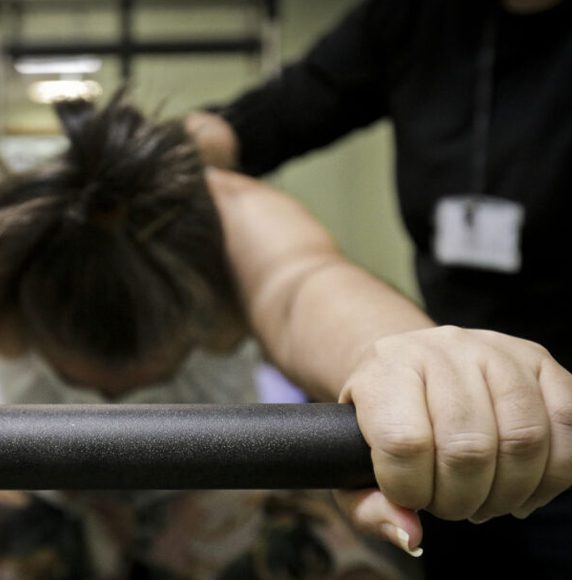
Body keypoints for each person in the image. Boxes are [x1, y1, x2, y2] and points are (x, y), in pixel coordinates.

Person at [0, 94, 569, 579]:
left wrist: (415, 354)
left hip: (222, 503)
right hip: (32, 500)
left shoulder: (239, 217)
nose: (116, 396)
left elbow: (306, 285)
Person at [186, 0, 572, 576]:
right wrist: (132, 154)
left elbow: (296, 284)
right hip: (452, 396)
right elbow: (267, 119)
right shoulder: (410, 18)